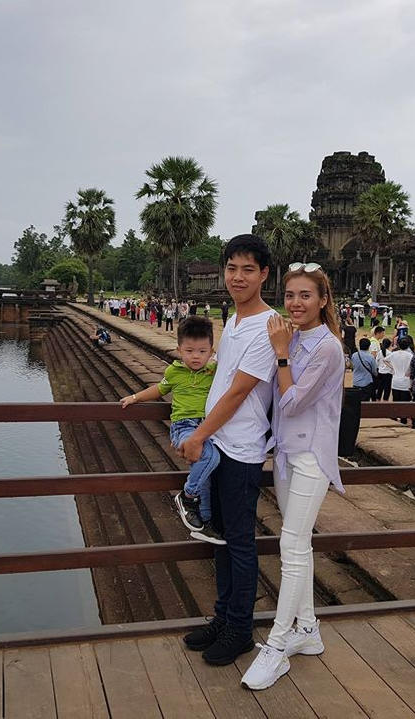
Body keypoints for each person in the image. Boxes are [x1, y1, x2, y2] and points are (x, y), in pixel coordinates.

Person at [241, 263, 345, 690]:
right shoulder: (294, 336)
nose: (296, 303)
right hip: (285, 453)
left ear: (323, 300)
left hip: (311, 457)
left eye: (305, 295)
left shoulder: (328, 347)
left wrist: (282, 352)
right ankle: (309, 629)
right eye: (290, 295)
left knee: (291, 544)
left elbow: (294, 402)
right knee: (299, 543)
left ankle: (278, 644)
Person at [179, 235, 277, 667]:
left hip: (241, 449)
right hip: (221, 444)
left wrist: (198, 435)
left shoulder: (269, 327)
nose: (238, 277)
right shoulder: (234, 320)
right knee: (219, 539)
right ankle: (223, 619)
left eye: (248, 269)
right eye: (232, 268)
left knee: (238, 542)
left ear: (264, 274)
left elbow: (238, 393)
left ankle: (240, 629)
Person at [119, 317, 224, 545]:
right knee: (210, 457)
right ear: (179, 350)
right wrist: (135, 397)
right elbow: (159, 389)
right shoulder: (175, 371)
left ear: (211, 352)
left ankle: (204, 523)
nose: (195, 357)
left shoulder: (214, 371)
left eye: (202, 351)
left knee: (206, 478)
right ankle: (187, 496)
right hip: (184, 426)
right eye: (189, 351)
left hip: (205, 428)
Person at [384, 336, 413, 424]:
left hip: (395, 381)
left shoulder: (394, 354)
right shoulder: (410, 355)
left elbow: (385, 360)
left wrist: (393, 368)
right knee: (404, 403)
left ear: (399, 345)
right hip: (406, 382)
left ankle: (395, 419)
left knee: (396, 401)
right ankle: (403, 420)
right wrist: (409, 371)